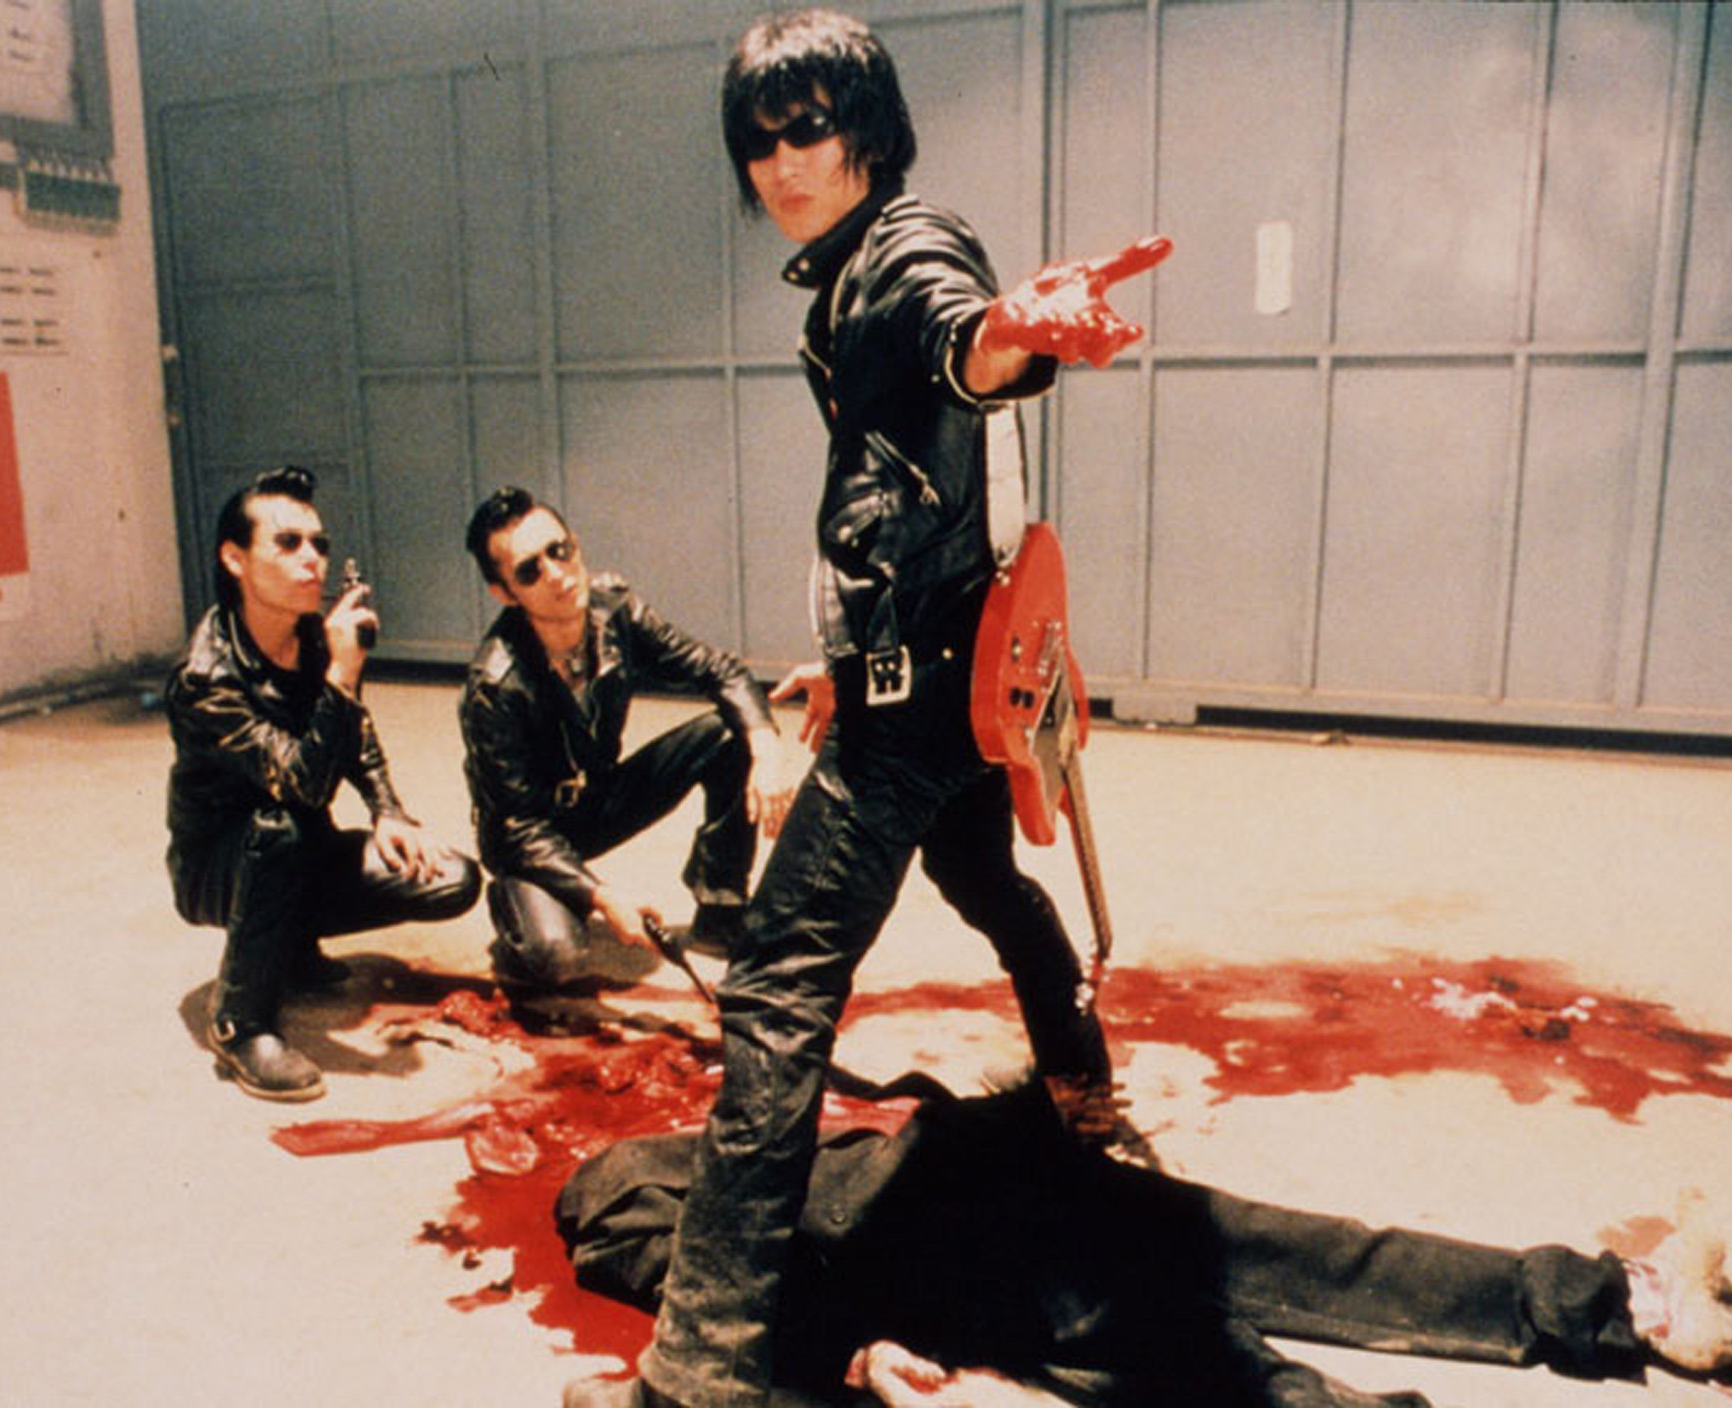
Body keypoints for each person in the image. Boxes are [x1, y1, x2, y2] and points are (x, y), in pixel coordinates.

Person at [567, 11, 1173, 1404]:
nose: (784, 162)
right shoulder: (842, 279)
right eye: (758, 141)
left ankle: (697, 1373)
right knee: (984, 879)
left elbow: (958, 341)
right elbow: (915, 477)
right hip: (939, 683)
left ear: (870, 132)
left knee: (774, 995)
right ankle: (1078, 1079)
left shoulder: (903, 252)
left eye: (811, 128)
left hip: (917, 713)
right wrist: (848, 661)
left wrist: (1008, 335)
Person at [556, 1081, 1732, 1407]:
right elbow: (713, 1284)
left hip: (1001, 1194)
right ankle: (1617, 1306)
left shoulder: (767, 1121)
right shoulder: (618, 1188)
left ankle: (1622, 1301)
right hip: (954, 1253)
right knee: (1217, 1329)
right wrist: (855, 1350)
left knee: (1281, 1256)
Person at [165, 465, 479, 1101]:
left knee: (451, 878)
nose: (312, 559)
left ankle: (289, 946)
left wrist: (389, 810)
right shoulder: (206, 678)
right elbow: (302, 784)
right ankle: (240, 1022)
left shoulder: (310, 636)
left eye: (319, 543)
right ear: (234, 558)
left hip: (298, 846)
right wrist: (340, 672)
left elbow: (354, 731)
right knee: (276, 825)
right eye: (288, 543)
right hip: (218, 868)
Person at [459, 486, 787, 993]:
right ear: (504, 592)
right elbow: (519, 828)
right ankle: (515, 909)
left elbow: (719, 669)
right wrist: (604, 897)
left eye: (559, 550)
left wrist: (765, 745)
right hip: (531, 838)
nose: (556, 573)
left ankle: (721, 913)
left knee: (733, 731)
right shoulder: (494, 685)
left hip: (598, 797)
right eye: (529, 571)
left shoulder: (616, 611)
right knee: (557, 959)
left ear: (575, 544)